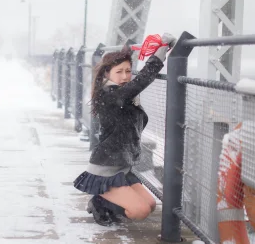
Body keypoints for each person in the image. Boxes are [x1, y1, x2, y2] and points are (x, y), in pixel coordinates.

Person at [73, 33, 177, 226]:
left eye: (128, 71)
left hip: (122, 165)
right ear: (107, 74)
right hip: (106, 167)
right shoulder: (109, 95)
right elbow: (140, 82)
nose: (125, 77)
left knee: (151, 205)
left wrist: (134, 49)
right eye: (119, 72)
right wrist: (160, 55)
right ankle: (99, 201)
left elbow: (133, 90)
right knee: (140, 211)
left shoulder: (121, 94)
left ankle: (109, 200)